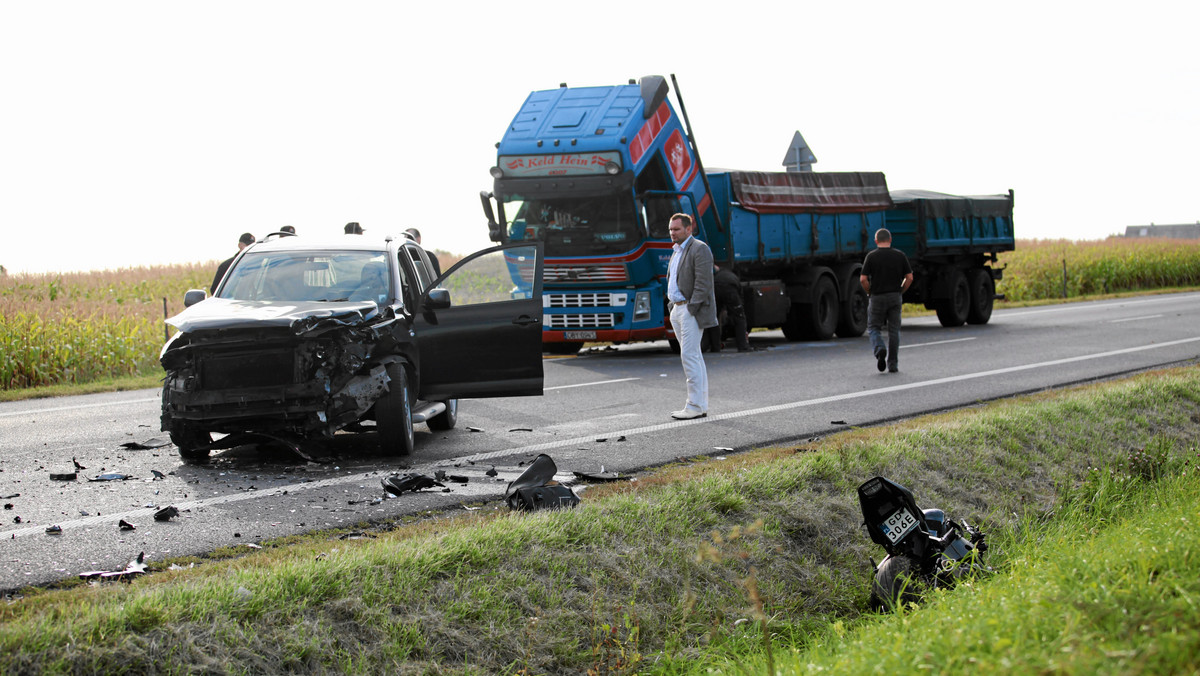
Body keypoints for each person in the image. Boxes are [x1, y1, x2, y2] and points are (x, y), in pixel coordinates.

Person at [666, 213, 718, 419]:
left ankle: (694, 406)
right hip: (677, 309)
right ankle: (700, 405)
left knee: (689, 356)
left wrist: (691, 308)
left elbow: (703, 283)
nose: (672, 233)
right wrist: (673, 306)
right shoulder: (676, 251)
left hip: (689, 309)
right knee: (694, 356)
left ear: (689, 229)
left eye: (676, 229)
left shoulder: (699, 248)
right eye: (670, 229)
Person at [860, 228, 913, 373]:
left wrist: (870, 292)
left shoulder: (871, 256)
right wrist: (901, 290)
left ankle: (879, 348)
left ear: (876, 241)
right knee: (894, 331)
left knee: (873, 327)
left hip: (877, 296)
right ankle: (893, 364)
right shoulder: (900, 255)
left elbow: (863, 279)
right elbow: (909, 277)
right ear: (890, 240)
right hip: (895, 296)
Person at [712, 263, 751, 352]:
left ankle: (715, 347)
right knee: (740, 318)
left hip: (716, 288)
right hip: (730, 290)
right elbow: (740, 298)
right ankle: (743, 346)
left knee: (714, 319)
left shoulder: (717, 275)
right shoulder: (732, 276)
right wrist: (738, 311)